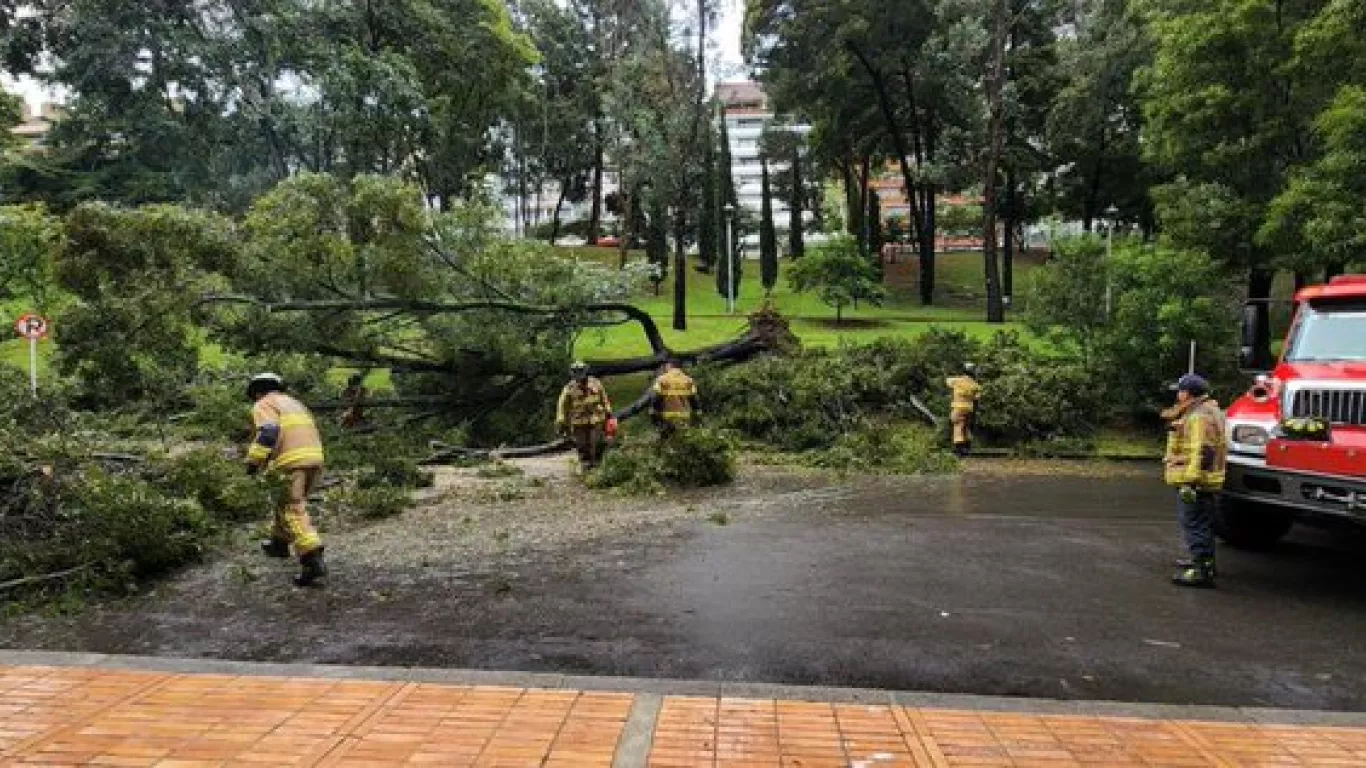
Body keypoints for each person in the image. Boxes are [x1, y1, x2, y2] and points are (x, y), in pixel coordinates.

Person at [245, 373, 328, 587]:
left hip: (290, 461)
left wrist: (253, 461)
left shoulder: (264, 403)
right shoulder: (295, 404)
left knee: (292, 507)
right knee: (286, 503)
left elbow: (269, 432)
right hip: (314, 459)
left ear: (257, 392)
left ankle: (311, 558)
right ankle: (279, 543)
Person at [1164, 373, 1228, 588]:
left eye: (1180, 390)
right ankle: (1203, 561)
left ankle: (1202, 570)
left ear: (1188, 393)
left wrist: (1191, 480)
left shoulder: (1199, 416)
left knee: (1194, 522)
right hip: (1204, 478)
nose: (1177, 394)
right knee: (1202, 522)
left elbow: (1202, 450)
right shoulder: (1207, 411)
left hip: (1196, 479)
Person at [556, 361, 614, 471]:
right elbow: (562, 406)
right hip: (579, 422)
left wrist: (608, 412)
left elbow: (604, 399)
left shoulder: (596, 383)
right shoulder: (569, 388)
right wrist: (561, 420)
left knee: (596, 443)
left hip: (596, 419)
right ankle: (586, 467)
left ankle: (597, 466)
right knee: (582, 446)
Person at [651, 357, 700, 437]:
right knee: (683, 437)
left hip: (667, 416)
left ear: (669, 366)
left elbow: (656, 398)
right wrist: (697, 413)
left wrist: (654, 412)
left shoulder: (661, 379)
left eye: (665, 366)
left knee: (668, 437)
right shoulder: (689, 380)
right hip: (685, 415)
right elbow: (694, 400)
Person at [945, 363, 982, 456]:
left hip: (957, 408)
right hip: (969, 409)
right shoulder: (975, 385)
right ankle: (967, 448)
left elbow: (947, 380)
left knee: (958, 427)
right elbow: (976, 399)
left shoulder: (956, 381)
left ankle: (959, 450)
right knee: (967, 428)